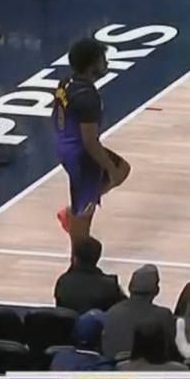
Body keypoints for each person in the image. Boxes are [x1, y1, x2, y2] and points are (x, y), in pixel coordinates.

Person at [55, 36, 130, 240]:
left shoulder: (66, 83)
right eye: (102, 60)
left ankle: (72, 211)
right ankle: (76, 253)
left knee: (123, 169)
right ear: (90, 67)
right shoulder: (87, 97)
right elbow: (90, 141)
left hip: (66, 145)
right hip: (82, 155)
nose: (106, 63)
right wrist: (109, 168)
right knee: (84, 219)